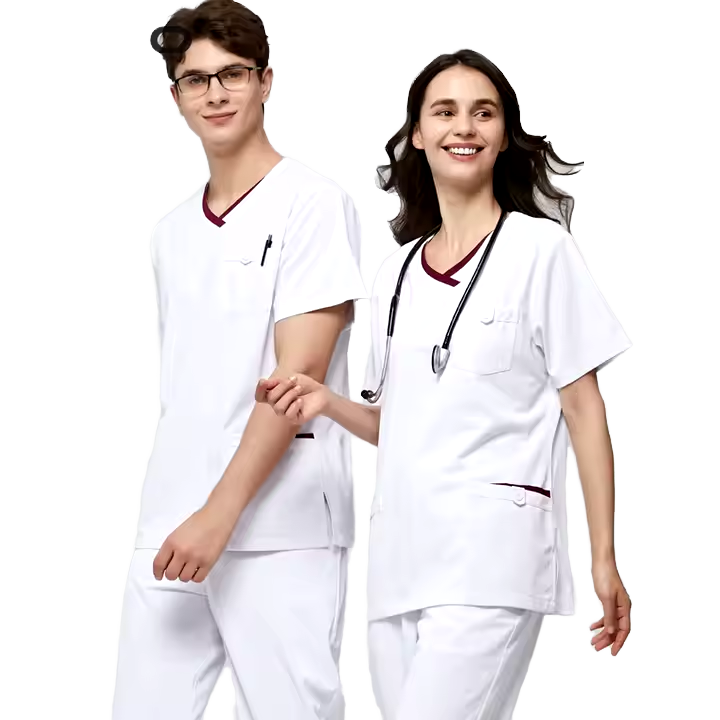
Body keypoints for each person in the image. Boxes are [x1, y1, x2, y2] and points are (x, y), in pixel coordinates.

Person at [257, 49, 633, 720]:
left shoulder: (540, 251)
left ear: (505, 135)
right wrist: (327, 402)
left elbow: (584, 411)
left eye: (483, 113)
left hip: (492, 559)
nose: (465, 126)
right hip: (398, 568)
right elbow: (397, 423)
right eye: (445, 112)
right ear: (418, 135)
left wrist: (603, 556)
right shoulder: (395, 274)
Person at [112, 2, 366, 718]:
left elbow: (297, 380)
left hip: (281, 529)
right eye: (196, 79)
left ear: (265, 82)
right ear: (176, 96)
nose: (215, 93)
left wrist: (219, 516)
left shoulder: (312, 204)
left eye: (233, 74)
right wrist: (187, 516)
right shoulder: (170, 232)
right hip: (169, 523)